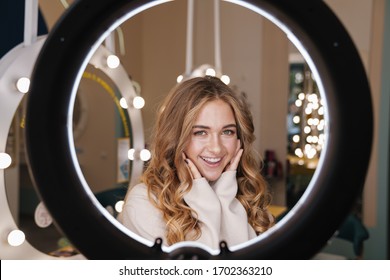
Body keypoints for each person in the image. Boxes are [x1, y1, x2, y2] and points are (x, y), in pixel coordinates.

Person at [121, 76, 274, 251]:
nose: (216, 148)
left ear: (239, 139)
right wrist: (207, 202)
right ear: (175, 137)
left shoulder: (247, 196)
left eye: (227, 131)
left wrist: (226, 198)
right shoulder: (144, 203)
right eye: (200, 132)